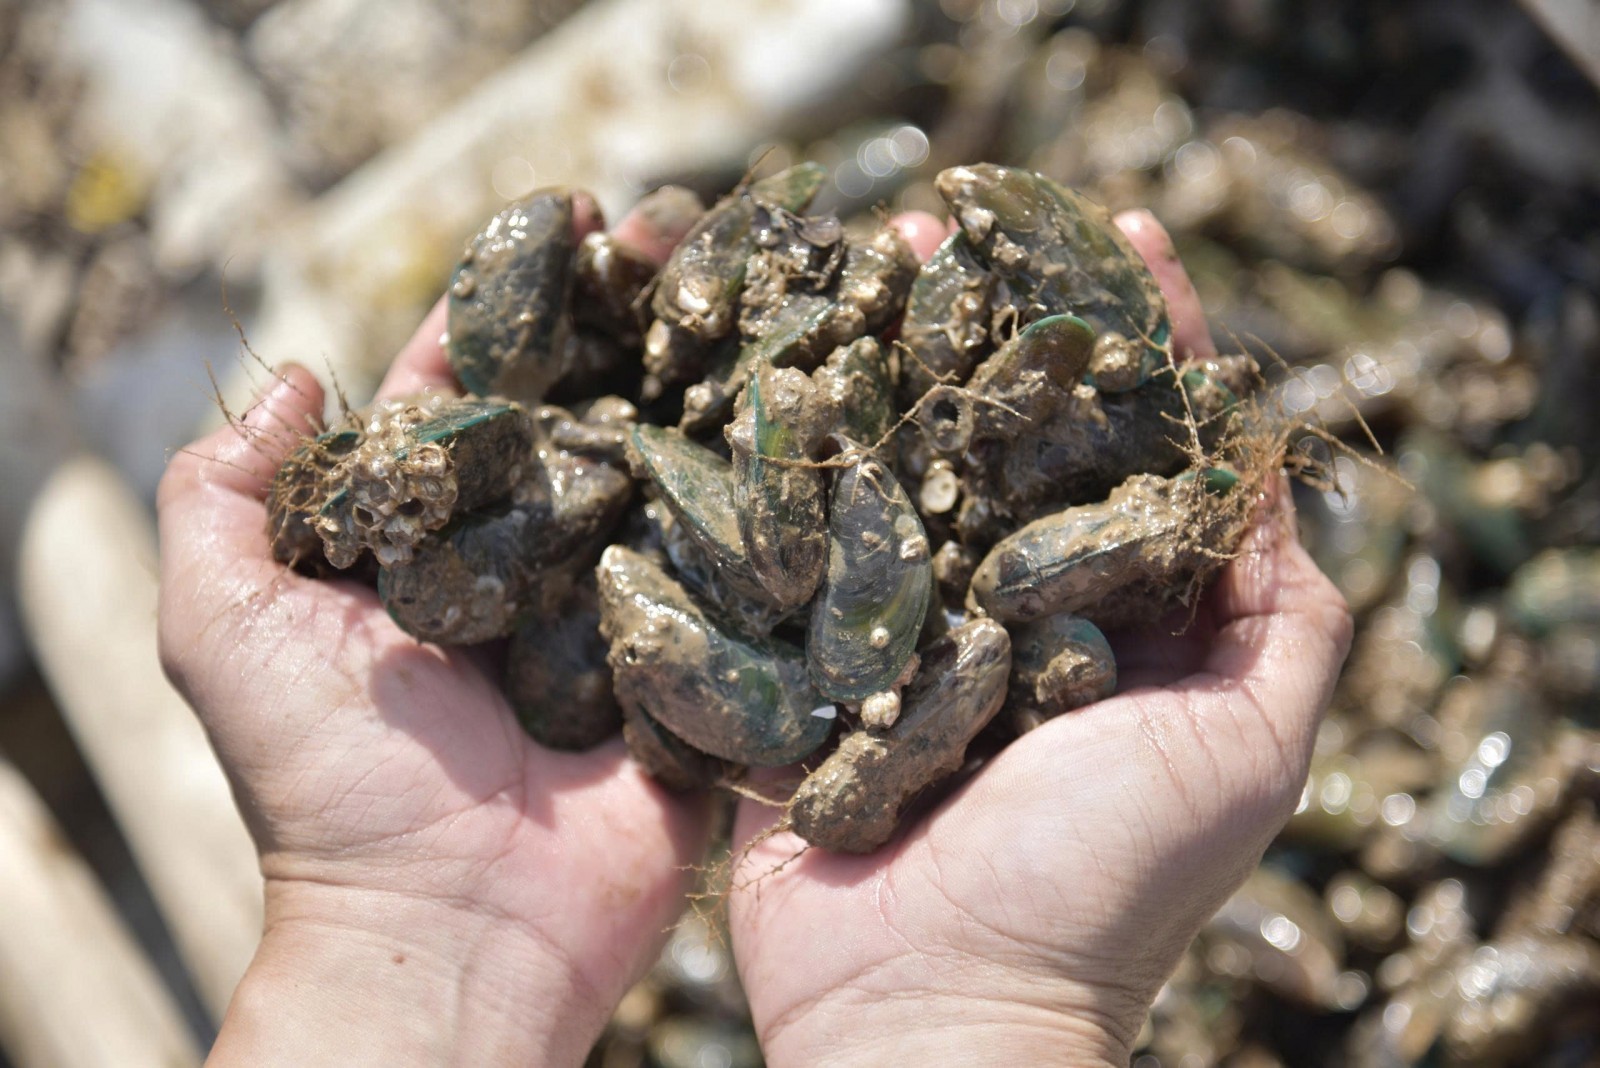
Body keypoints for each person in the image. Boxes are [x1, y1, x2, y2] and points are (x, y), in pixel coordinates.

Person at [157, 201, 1351, 1065]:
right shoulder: (707, 535)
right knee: (834, 641)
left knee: (856, 643)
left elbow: (955, 614)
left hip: (828, 637)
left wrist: (390, 927)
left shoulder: (919, 594)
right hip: (773, 629)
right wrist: (975, 1009)